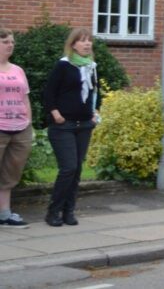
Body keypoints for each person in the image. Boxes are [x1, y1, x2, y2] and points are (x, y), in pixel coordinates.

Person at [42, 27, 100, 227]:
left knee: (77, 170)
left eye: (89, 40)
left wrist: (95, 113)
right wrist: (55, 113)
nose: (87, 44)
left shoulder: (91, 67)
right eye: (82, 40)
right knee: (68, 168)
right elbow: (49, 93)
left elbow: (94, 93)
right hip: (63, 125)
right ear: (73, 44)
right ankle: (53, 211)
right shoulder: (64, 65)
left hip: (84, 125)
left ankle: (68, 211)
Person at [0, 27, 32, 228]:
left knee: (11, 173)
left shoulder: (18, 70)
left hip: (20, 128)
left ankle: (4, 214)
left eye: (12, 42)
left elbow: (25, 98)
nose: (10, 45)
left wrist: (29, 122)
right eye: (5, 42)